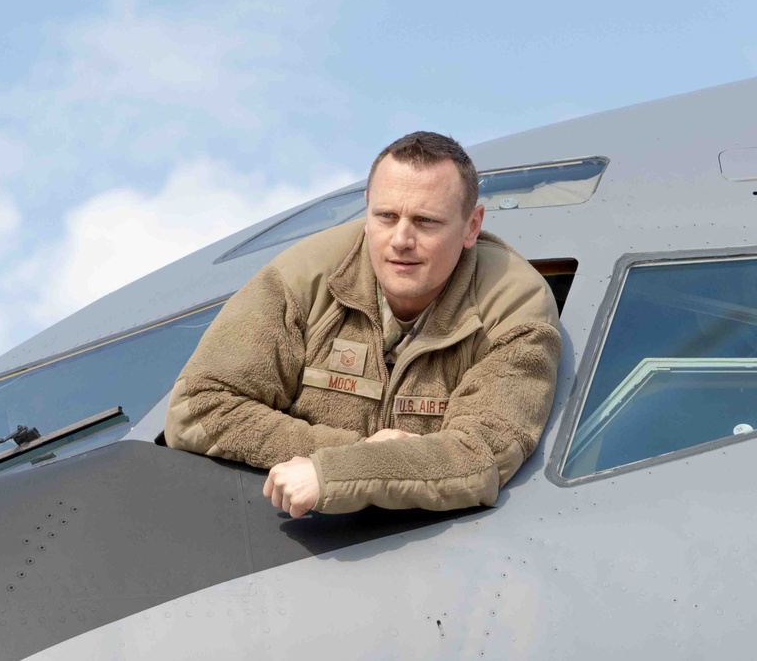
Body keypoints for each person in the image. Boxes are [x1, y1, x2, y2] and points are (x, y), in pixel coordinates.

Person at [164, 131, 561, 518]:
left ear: (472, 226)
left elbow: (480, 455)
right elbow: (196, 407)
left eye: (425, 221)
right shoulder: (305, 276)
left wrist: (339, 471)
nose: (401, 239)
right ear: (367, 209)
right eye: (386, 216)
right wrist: (350, 451)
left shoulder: (513, 303)